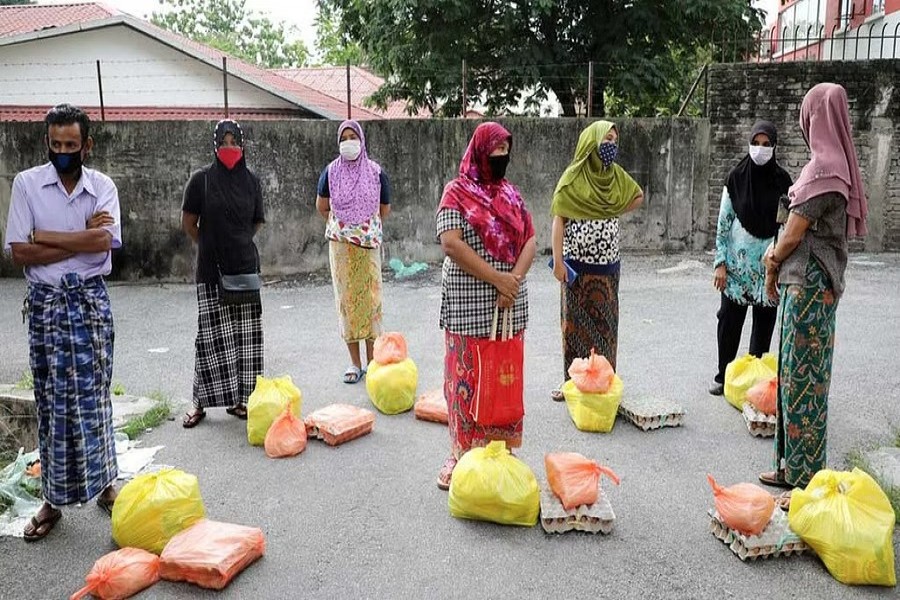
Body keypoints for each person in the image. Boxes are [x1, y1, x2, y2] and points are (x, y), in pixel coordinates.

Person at [4, 103, 121, 540]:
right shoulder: (27, 185)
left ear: (87, 145)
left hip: (89, 303)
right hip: (47, 306)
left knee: (95, 394)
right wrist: (81, 240)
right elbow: (19, 253)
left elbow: (105, 243)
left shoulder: (103, 186)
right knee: (51, 400)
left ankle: (107, 485)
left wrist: (47, 235)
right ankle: (52, 501)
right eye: (56, 145)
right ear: (47, 143)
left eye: (72, 145)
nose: (64, 151)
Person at [759, 83, 867, 509]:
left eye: (809, 114)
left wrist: (772, 259)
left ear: (817, 117)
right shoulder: (821, 166)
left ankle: (805, 482)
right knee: (790, 374)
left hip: (810, 287)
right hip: (799, 285)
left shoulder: (828, 170)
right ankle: (788, 466)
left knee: (806, 381)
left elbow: (794, 231)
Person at [436, 122, 536, 490]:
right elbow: (450, 242)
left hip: (508, 306)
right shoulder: (457, 192)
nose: (500, 158)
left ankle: (500, 451)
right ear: (479, 151)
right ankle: (461, 454)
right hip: (468, 305)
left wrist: (513, 282)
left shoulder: (511, 194)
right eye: (494, 151)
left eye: (505, 152)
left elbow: (531, 240)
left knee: (503, 380)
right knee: (466, 380)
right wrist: (498, 278)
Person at [549, 121, 643, 401]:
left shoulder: (615, 176)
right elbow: (559, 220)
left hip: (607, 269)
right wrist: (557, 260)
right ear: (591, 144)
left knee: (606, 328)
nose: (610, 146)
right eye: (605, 140)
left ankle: (603, 384)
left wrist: (612, 209)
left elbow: (638, 195)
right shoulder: (572, 177)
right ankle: (571, 384)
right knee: (573, 328)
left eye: (614, 140)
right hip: (575, 267)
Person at [181, 119, 266, 428]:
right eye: (224, 141)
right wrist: (210, 244)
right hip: (211, 270)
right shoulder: (200, 181)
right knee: (210, 339)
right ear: (215, 145)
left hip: (244, 266)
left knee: (246, 340)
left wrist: (236, 241)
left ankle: (242, 400)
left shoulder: (252, 182)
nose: (229, 147)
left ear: (242, 145)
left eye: (234, 141)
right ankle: (199, 403)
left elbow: (256, 221)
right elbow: (190, 223)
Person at [709, 121, 793, 396]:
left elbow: (786, 225)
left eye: (766, 144)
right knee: (729, 322)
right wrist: (720, 263)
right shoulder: (736, 178)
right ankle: (724, 375)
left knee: (764, 325)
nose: (760, 149)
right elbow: (723, 223)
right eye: (756, 143)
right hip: (735, 269)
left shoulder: (784, 182)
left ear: (775, 146)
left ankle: (755, 383)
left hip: (768, 269)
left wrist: (779, 262)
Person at [315, 119, 391, 384]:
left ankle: (372, 363)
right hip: (342, 249)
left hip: (368, 246)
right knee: (347, 303)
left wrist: (362, 226)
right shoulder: (331, 172)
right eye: (344, 138)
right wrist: (345, 226)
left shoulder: (375, 172)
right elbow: (322, 206)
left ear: (362, 139)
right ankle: (354, 363)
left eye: (353, 136)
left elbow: (384, 209)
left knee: (370, 303)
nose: (349, 142)